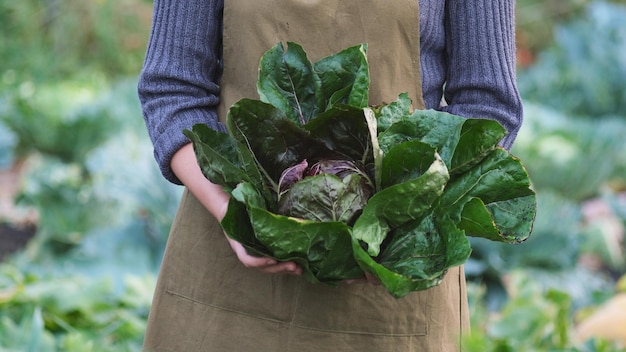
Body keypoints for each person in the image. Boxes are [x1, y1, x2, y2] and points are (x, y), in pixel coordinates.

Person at [137, 0, 523, 351]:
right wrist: (234, 215)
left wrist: (394, 235)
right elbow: (173, 89)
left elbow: (488, 106)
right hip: (226, 274)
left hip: (391, 295)